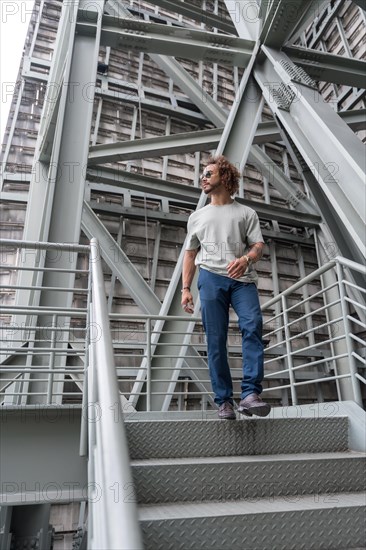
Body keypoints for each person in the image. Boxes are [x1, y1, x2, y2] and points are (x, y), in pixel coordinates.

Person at [181, 155, 270, 420]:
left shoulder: (246, 213)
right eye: (202, 175)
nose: (203, 178)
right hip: (210, 278)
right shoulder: (197, 217)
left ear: (225, 177)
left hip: (243, 281)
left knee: (252, 326)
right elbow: (190, 253)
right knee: (215, 340)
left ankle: (251, 394)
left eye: (209, 174)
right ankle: (224, 402)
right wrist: (185, 288)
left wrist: (246, 259)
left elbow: (258, 245)